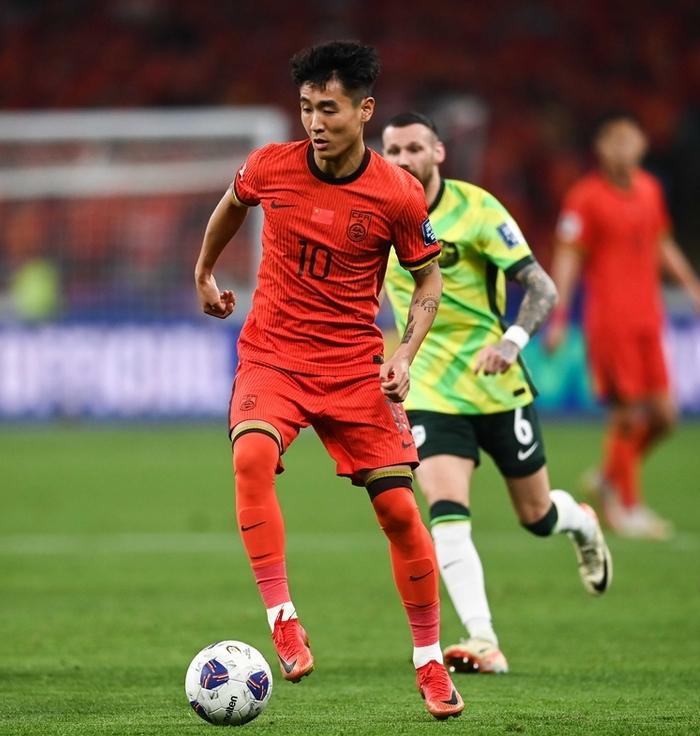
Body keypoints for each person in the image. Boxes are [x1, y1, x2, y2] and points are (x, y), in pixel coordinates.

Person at [195, 41, 462, 719]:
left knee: (400, 511)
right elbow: (232, 203)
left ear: (365, 111)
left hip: (353, 368)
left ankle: (430, 661)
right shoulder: (271, 165)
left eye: (330, 109)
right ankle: (283, 618)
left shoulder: (397, 193)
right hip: (273, 356)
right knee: (250, 457)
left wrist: (405, 354)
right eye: (307, 107)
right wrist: (204, 270)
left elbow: (428, 279)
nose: (315, 122)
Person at [380, 113, 612, 675]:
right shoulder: (376, 214)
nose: (404, 159)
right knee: (445, 511)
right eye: (393, 151)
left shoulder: (477, 209)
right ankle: (483, 640)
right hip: (430, 388)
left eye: (414, 148)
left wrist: (512, 342)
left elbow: (542, 286)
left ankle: (581, 522)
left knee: (537, 515)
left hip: (496, 384)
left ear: (438, 152)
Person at [545, 110, 700, 540]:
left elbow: (661, 243)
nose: (622, 149)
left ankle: (608, 477)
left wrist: (694, 288)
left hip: (647, 319)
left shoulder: (650, 189)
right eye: (614, 141)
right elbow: (568, 258)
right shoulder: (584, 198)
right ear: (601, 149)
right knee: (626, 414)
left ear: (642, 146)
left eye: (629, 141)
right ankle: (627, 506)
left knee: (665, 417)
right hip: (610, 322)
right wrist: (559, 316)